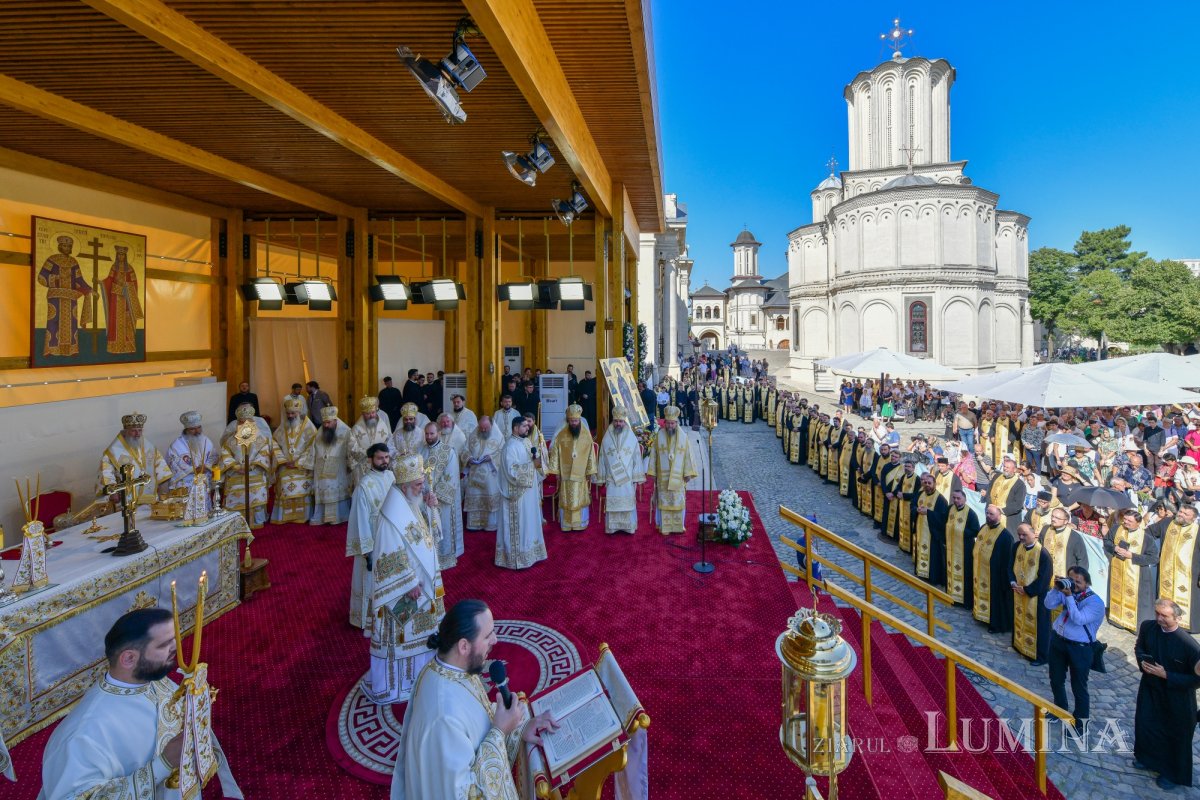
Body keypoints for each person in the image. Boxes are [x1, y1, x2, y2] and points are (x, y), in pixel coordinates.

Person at [38, 608, 241, 800]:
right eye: (164, 645)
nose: (176, 647)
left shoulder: (151, 679)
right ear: (128, 658)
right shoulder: (85, 733)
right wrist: (163, 764)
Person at [390, 599, 558, 799]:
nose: (495, 640)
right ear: (463, 646)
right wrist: (499, 732)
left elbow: (478, 722)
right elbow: (466, 794)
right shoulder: (443, 716)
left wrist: (519, 729)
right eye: (488, 636)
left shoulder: (452, 669)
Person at [365, 453, 444, 705]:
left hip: (421, 584)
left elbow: (430, 536)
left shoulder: (410, 502)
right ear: (404, 485)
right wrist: (409, 582)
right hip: (406, 590)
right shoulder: (391, 513)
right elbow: (388, 553)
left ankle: (420, 678)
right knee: (402, 636)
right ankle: (398, 685)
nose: (423, 488)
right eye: (419, 485)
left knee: (421, 635)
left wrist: (431, 509)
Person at [1132, 599, 1200, 791]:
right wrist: (1142, 662)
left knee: (1175, 735)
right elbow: (1139, 647)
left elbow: (1196, 680)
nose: (1159, 618)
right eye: (1157, 614)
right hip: (1150, 688)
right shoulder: (1148, 627)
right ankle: (1147, 758)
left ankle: (1172, 774)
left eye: (1165, 615)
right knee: (1147, 724)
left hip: (1177, 697)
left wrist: (1167, 675)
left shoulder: (1190, 646)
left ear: (1177, 618)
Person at [1045, 566, 1105, 733]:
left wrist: (1069, 596)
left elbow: (1078, 619)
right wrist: (1056, 589)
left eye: (1078, 582)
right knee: (1056, 679)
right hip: (1059, 641)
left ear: (1087, 583)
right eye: (1071, 580)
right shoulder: (1066, 591)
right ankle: (1060, 708)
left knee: (1079, 687)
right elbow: (1048, 604)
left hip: (1080, 648)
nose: (1074, 584)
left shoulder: (1096, 602)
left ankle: (1080, 724)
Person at [346, 443, 392, 631]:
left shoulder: (391, 476)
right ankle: (366, 618)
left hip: (390, 536)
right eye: (380, 458)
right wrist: (367, 551)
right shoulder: (364, 486)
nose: (385, 462)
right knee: (369, 579)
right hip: (372, 539)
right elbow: (359, 520)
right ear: (370, 459)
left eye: (387, 457)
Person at [495, 416, 547, 569]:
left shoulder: (526, 441)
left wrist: (538, 458)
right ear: (515, 428)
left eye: (527, 425)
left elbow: (532, 459)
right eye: (524, 426)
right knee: (521, 524)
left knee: (530, 522)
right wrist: (533, 465)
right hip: (517, 495)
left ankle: (532, 553)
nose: (527, 428)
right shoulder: (510, 447)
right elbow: (512, 471)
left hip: (528, 493)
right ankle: (517, 558)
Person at [98, 412, 171, 505]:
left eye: (140, 430)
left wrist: (161, 484)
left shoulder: (148, 447)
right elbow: (106, 473)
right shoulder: (113, 451)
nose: (138, 434)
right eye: (134, 431)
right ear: (125, 431)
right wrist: (113, 492)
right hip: (126, 499)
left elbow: (160, 465)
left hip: (149, 498)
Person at [1106, 509, 1160, 632]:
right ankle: (1117, 620)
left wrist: (1132, 556)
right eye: (1124, 519)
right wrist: (1114, 548)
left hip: (1137, 575)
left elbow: (1154, 558)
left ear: (1138, 523)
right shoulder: (1116, 529)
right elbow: (1106, 541)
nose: (1125, 522)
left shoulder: (1146, 538)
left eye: (1129, 521)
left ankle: (1135, 625)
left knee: (1136, 600)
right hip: (1118, 570)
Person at [220, 404, 273, 529]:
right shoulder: (231, 439)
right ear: (238, 422)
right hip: (236, 472)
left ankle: (257, 519)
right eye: (242, 422)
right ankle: (236, 522)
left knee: (256, 492)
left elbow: (264, 452)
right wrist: (236, 467)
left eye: (248, 422)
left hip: (254, 471)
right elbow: (225, 454)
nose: (245, 425)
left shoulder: (260, 437)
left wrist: (252, 466)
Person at [546, 404, 597, 531]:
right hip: (566, 473)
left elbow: (591, 454)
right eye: (572, 421)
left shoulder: (586, 435)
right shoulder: (561, 435)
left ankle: (580, 523)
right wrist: (556, 471)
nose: (574, 423)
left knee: (580, 498)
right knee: (567, 498)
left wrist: (590, 470)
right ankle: (567, 524)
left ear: (580, 420)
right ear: (568, 420)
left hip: (580, 474)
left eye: (576, 420)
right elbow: (555, 453)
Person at [596, 405, 646, 534]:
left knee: (627, 501)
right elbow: (601, 457)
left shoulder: (631, 437)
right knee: (613, 500)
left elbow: (636, 458)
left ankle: (628, 527)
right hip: (612, 477)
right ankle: (612, 527)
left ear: (625, 421)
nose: (618, 423)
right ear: (613, 421)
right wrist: (601, 476)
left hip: (627, 477)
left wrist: (636, 477)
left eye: (621, 421)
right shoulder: (607, 436)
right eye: (616, 421)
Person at [648, 406, 698, 534]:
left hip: (678, 477)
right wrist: (652, 472)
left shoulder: (683, 437)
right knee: (663, 500)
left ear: (676, 423)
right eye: (668, 423)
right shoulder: (659, 436)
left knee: (677, 500)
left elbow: (687, 455)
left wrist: (688, 473)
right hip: (662, 477)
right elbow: (653, 455)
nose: (670, 426)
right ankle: (664, 526)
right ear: (664, 423)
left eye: (673, 423)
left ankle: (677, 526)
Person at [421, 422, 464, 569]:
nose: (429, 436)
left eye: (431, 433)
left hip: (440, 501)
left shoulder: (448, 452)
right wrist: (421, 494)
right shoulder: (420, 450)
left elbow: (451, 477)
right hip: (422, 500)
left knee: (442, 529)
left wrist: (434, 496)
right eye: (426, 434)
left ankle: (443, 558)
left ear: (438, 433)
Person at [1151, 503, 1200, 631]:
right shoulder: (1168, 522)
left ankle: (1186, 626)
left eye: (1186, 514)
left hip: (1190, 575)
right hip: (1166, 571)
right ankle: (1164, 619)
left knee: (1191, 602)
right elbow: (1149, 532)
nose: (1181, 514)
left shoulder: (1198, 530)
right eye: (1180, 511)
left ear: (1193, 518)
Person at [1011, 522, 1054, 665]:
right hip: (1018, 591)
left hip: (1037, 597)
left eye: (1025, 535)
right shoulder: (1017, 547)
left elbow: (1044, 578)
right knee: (1019, 618)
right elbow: (1009, 566)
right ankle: (1020, 645)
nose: (1021, 537)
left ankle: (1039, 656)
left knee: (1039, 626)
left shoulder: (1042, 553)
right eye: (1019, 535)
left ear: (1034, 534)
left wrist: (1027, 590)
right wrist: (1012, 582)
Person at [270, 397, 317, 524]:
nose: (290, 416)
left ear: (299, 413)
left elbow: (311, 448)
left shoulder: (309, 428)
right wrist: (283, 461)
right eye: (288, 413)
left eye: (293, 413)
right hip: (285, 465)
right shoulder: (282, 428)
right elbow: (274, 444)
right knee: (284, 481)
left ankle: (303, 515)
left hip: (302, 467)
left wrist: (297, 462)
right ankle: (283, 516)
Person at [974, 504, 1016, 634]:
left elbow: (1007, 560)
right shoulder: (983, 528)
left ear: (999, 516)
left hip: (995, 575)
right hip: (980, 570)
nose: (988, 516)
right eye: (987, 513)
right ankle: (981, 616)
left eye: (991, 514)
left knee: (995, 600)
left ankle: (995, 624)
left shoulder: (1005, 536)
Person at [165, 411, 217, 513]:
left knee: (204, 511)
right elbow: (173, 462)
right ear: (186, 430)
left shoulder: (206, 440)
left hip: (203, 482)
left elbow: (213, 456)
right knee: (189, 512)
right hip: (186, 484)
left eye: (199, 427)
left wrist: (206, 466)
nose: (197, 431)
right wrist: (192, 469)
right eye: (193, 429)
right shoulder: (177, 445)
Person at [310, 405, 353, 525]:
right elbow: (313, 450)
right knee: (324, 485)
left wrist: (350, 464)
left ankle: (340, 516)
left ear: (335, 420)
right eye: (324, 423)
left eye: (328, 422)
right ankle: (322, 516)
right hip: (322, 469)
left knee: (336, 487)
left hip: (339, 468)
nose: (326, 426)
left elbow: (351, 450)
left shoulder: (346, 432)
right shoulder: (320, 433)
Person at [464, 416, 504, 532]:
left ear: (491, 426)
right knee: (474, 495)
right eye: (481, 428)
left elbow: (502, 453)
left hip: (490, 474)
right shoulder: (473, 434)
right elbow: (464, 450)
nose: (483, 430)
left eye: (486, 428)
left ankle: (490, 524)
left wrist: (491, 458)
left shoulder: (499, 437)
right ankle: (474, 524)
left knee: (490, 496)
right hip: (474, 472)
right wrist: (469, 458)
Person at [913, 472, 949, 587]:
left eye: (929, 483)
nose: (927, 485)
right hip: (920, 530)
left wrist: (928, 512)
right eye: (925, 483)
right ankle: (921, 573)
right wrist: (916, 510)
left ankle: (932, 578)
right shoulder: (920, 494)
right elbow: (912, 506)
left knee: (933, 557)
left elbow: (943, 518)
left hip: (933, 534)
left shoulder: (941, 499)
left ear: (934, 484)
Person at [945, 488, 980, 607]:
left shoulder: (970, 513)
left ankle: (963, 601)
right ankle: (951, 595)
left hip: (964, 550)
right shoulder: (950, 509)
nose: (956, 500)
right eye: (954, 498)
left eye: (958, 498)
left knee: (964, 574)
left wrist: (960, 532)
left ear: (964, 499)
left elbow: (976, 531)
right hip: (951, 548)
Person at [350, 396, 393, 486]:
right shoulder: (356, 429)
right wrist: (368, 453)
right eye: (367, 413)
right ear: (362, 414)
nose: (371, 416)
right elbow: (352, 448)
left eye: (373, 412)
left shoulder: (383, 427)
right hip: (364, 467)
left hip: (381, 465)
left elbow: (389, 442)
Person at [986, 454, 1027, 535]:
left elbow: (1018, 504)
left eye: (1008, 467)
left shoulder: (1020, 484)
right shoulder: (997, 476)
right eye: (1004, 466)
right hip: (992, 514)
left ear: (1014, 470)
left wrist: (1001, 511)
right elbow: (989, 491)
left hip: (1007, 518)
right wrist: (990, 505)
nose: (1005, 469)